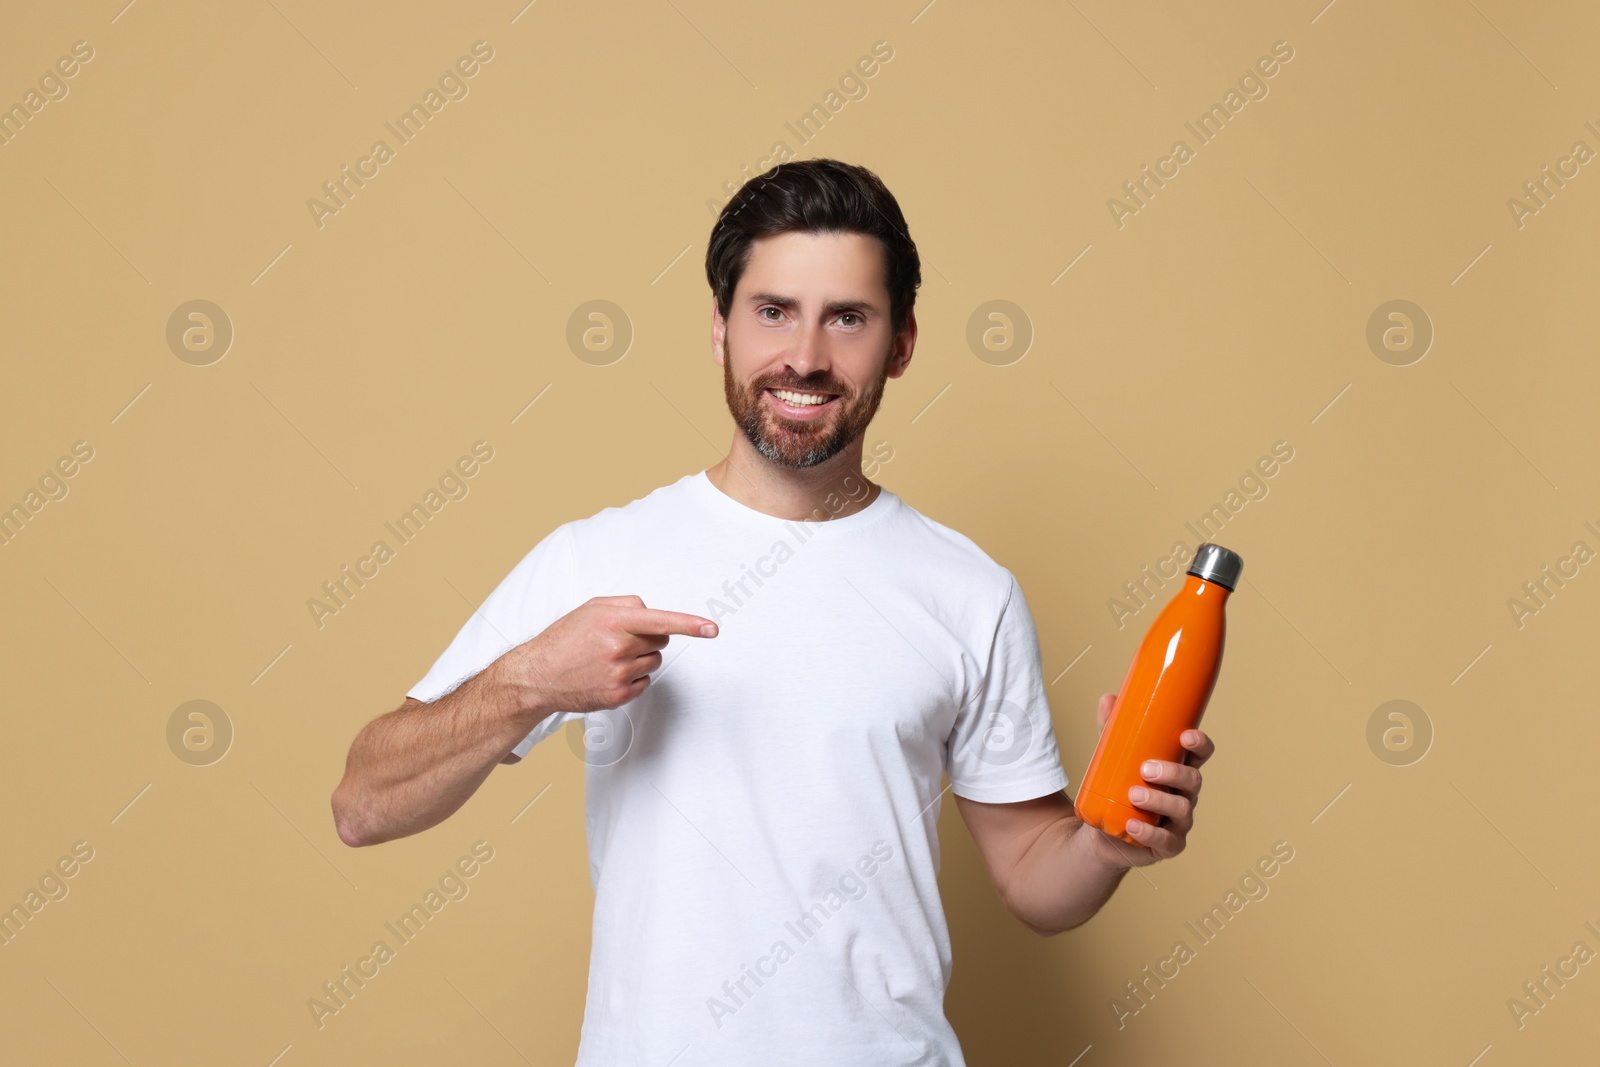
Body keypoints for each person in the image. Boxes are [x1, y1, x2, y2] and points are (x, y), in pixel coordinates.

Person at [330, 158, 1213, 1065]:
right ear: (720, 329)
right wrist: (527, 683)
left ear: (902, 344)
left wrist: (1110, 842)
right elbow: (364, 802)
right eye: (773, 311)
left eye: (849, 318)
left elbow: (1033, 873)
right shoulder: (598, 559)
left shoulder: (968, 591)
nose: (806, 356)